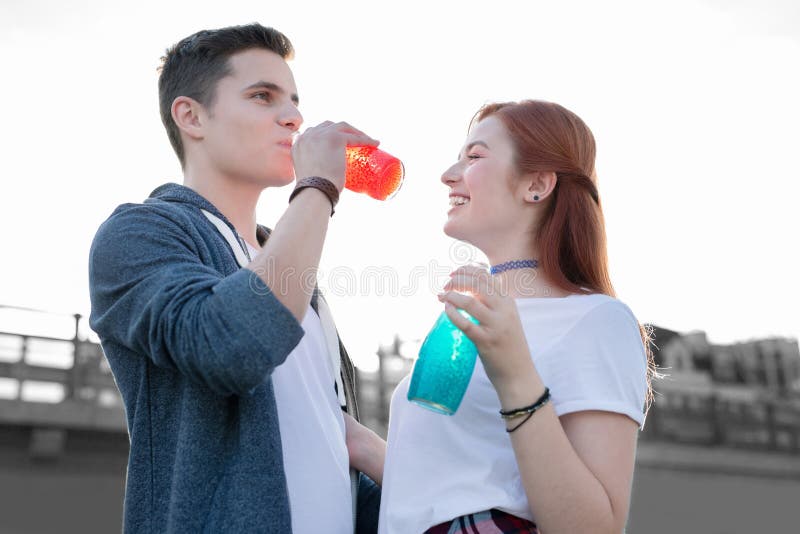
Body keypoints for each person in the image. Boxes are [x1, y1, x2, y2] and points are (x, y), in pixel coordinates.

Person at [88, 23, 386, 533]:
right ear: (191, 116)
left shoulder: (296, 274)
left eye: (293, 99)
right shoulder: (139, 233)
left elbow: (327, 436)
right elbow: (233, 345)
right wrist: (316, 188)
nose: (293, 117)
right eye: (262, 96)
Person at [377, 100, 656, 533]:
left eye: (474, 156)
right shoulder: (472, 315)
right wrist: (357, 443)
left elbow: (595, 528)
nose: (448, 174)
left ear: (537, 185)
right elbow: (455, 487)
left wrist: (515, 374)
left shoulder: (597, 320)